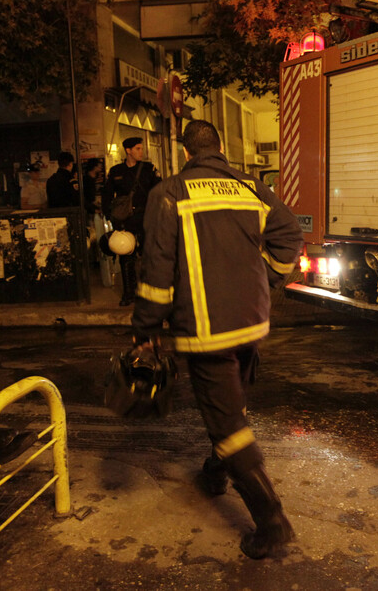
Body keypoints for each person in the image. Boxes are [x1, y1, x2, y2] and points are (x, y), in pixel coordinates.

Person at [131, 120, 303, 559]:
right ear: (220, 148)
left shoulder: (168, 193)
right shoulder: (249, 188)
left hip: (206, 331)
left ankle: (271, 521)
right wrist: (266, 279)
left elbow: (157, 270)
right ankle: (214, 472)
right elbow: (289, 235)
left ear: (184, 152)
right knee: (232, 403)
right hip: (251, 321)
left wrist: (146, 328)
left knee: (228, 424)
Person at [101, 137, 161, 306]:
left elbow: (159, 191)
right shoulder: (116, 171)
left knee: (149, 257)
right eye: (138, 148)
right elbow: (107, 195)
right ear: (128, 150)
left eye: (141, 148)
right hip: (125, 221)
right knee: (126, 255)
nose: (141, 152)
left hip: (146, 219)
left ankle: (150, 294)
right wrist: (110, 216)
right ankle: (129, 294)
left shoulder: (149, 169)